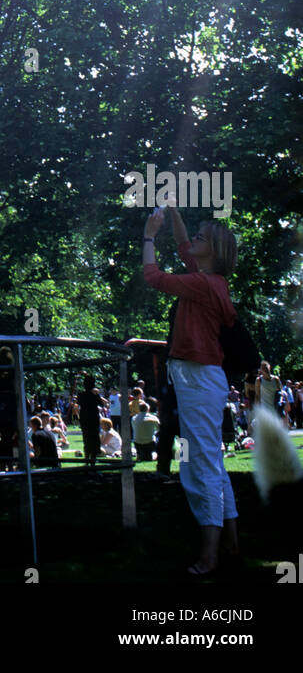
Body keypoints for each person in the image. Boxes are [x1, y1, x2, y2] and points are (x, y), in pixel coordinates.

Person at [143, 199, 240, 577]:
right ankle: (229, 543)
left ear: (213, 251)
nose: (192, 241)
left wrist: (149, 236)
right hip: (199, 378)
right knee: (211, 464)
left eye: (201, 238)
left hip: (198, 378)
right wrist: (175, 214)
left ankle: (210, 555)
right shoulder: (207, 278)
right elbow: (184, 244)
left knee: (198, 468)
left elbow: (154, 278)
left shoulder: (201, 283)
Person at [79, 374, 103, 466]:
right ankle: (93, 458)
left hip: (85, 418)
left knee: (86, 438)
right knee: (94, 438)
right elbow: (101, 404)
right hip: (93, 419)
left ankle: (86, 458)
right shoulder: (95, 395)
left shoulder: (81, 395)